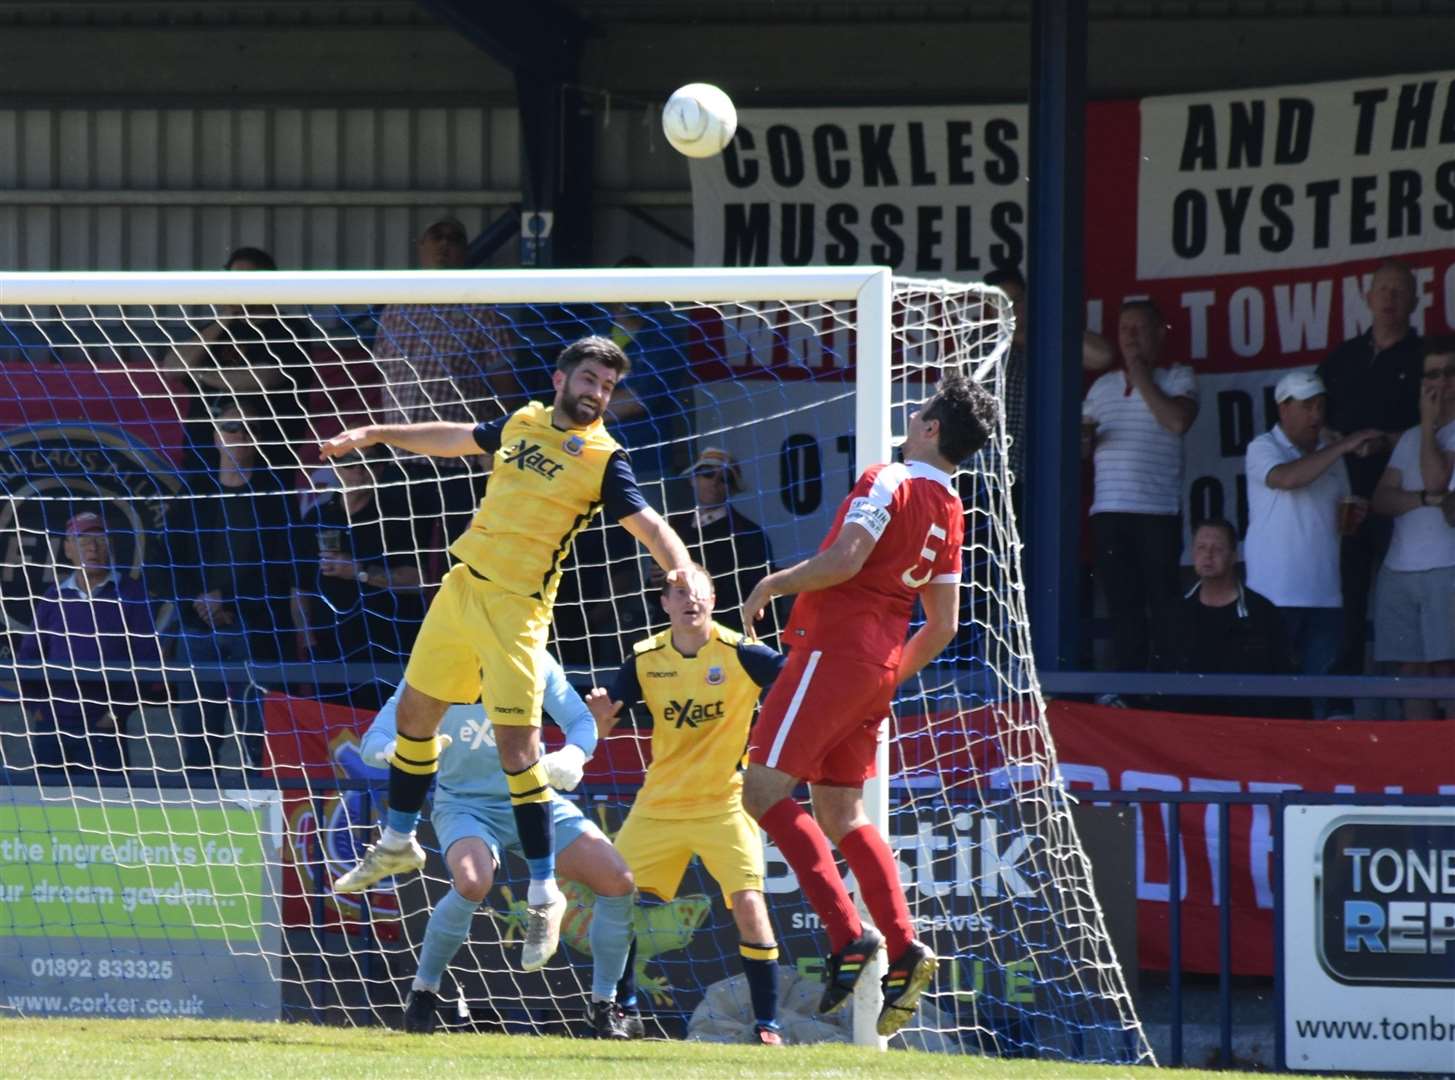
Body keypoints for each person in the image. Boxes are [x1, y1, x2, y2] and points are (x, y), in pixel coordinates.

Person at [322, 335, 704, 975]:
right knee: (417, 717)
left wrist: (684, 567)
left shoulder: (606, 459)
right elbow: (456, 436)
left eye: (607, 388)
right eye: (588, 380)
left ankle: (544, 892)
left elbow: (652, 525)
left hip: (518, 612)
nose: (596, 393)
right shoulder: (523, 421)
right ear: (561, 378)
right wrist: (378, 431)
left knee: (518, 751)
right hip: (461, 588)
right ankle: (395, 842)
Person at [737, 372, 997, 1038]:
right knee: (839, 810)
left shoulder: (891, 479)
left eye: (922, 409)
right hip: (876, 665)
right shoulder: (949, 508)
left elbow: (846, 559)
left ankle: (848, 938)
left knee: (760, 790)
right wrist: (883, 678)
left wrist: (774, 580)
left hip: (833, 650)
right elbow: (941, 625)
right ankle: (903, 950)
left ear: (932, 428)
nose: (912, 414)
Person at [359, 657, 639, 1038]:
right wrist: (397, 750)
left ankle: (605, 1006)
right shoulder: (438, 659)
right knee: (473, 882)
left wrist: (574, 753)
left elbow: (581, 721)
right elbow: (372, 739)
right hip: (464, 806)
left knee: (618, 880)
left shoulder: (531, 659)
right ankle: (424, 991)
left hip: (535, 799)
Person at [587, 568, 787, 1046]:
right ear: (665, 604)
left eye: (698, 591)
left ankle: (767, 1027)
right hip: (659, 804)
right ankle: (625, 1008)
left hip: (725, 804)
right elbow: (602, 725)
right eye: (680, 592)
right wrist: (597, 720)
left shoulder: (743, 653)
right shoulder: (643, 659)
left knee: (750, 906)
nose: (690, 599)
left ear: (713, 600)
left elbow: (799, 686)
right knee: (614, 902)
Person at [163, 397, 301, 775]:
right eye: (231, 427)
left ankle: (262, 815)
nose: (240, 436)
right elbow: (164, 560)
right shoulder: (193, 493)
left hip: (255, 629)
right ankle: (200, 816)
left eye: (251, 429)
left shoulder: (276, 497)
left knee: (261, 737)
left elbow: (285, 568)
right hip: (197, 627)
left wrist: (229, 599)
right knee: (197, 736)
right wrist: (196, 600)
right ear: (215, 436)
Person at [1243, 371, 1382, 719]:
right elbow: (1288, 478)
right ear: (1283, 409)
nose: (1316, 415)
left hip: (1325, 597)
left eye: (1320, 406)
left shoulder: (1331, 456)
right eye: (1307, 406)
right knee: (1273, 702)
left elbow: (1336, 523)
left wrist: (1353, 515)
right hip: (1274, 597)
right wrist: (1343, 445)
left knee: (1319, 703)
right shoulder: (1262, 447)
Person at [375, 219, 517, 550]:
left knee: (462, 560)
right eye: (436, 236)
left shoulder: (482, 311)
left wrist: (503, 443)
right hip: (402, 459)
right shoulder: (396, 308)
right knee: (399, 560)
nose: (444, 245)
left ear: (465, 251)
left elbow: (505, 385)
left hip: (459, 463)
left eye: (454, 239)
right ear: (420, 247)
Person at [1316, 259, 1425, 676]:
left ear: (1415, 299)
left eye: (1399, 290)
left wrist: (1386, 440)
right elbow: (1312, 420)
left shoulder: (1425, 356)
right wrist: (1342, 442)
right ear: (1367, 297)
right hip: (1347, 498)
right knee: (1347, 599)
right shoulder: (1343, 357)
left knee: (1404, 606)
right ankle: (1343, 702)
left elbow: (1445, 428)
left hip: (1406, 502)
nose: (1390, 298)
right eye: (1383, 289)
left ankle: (1405, 709)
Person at [1081, 299, 1199, 673]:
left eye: (1139, 329)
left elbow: (1177, 422)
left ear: (1159, 334)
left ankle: (1165, 695)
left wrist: (1138, 373)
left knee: (1164, 605)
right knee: (1122, 607)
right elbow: (1081, 450)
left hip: (1157, 513)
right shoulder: (1102, 386)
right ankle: (1127, 694)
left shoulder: (1178, 377)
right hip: (1109, 512)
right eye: (1124, 330)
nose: (1130, 338)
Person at [15, 512, 162, 779]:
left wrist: (115, 715)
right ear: (68, 549)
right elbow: (29, 656)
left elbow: (147, 661)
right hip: (53, 727)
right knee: (48, 810)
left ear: (111, 546)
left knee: (111, 811)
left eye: (99, 540)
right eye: (82, 541)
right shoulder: (54, 597)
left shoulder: (130, 594)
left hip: (104, 729)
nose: (92, 548)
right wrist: (38, 709)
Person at [163, 246, 315, 476]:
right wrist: (225, 318)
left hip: (267, 461)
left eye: (246, 281)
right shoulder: (214, 331)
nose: (237, 288)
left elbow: (265, 377)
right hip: (205, 459)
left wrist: (202, 376)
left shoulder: (289, 330)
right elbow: (173, 368)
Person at [293, 447, 424, 707]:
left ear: (381, 469)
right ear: (334, 468)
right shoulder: (316, 518)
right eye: (349, 464)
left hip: (389, 652)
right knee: (338, 743)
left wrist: (359, 572)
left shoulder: (398, 516)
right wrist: (310, 645)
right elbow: (299, 592)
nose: (357, 473)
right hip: (330, 653)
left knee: (388, 741)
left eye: (367, 464)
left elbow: (418, 580)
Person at [982, 268, 1113, 521]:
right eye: (1001, 303)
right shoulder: (978, 349)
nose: (1010, 310)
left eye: (1016, 301)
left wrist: (1048, 319)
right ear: (989, 309)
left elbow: (1103, 356)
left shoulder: (1049, 345)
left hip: (1036, 483)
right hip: (983, 480)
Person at [1369, 337, 1455, 719]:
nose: (1442, 382)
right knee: (1412, 673)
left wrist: (1426, 425)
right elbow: (1381, 500)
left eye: (1450, 373)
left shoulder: (1428, 433)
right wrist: (1425, 502)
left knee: (1446, 672)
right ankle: (1419, 772)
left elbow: (1437, 479)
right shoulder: (1407, 437)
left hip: (1446, 568)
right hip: (1398, 571)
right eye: (1432, 375)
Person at [1147, 519, 1292, 717]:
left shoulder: (1263, 613)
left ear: (1234, 556)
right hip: (1185, 729)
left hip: (1245, 729)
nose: (1208, 555)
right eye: (1201, 548)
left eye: (1218, 549)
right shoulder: (1174, 614)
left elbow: (1283, 685)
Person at [665, 447, 776, 635]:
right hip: (674, 636)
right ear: (693, 479)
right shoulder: (671, 526)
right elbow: (654, 591)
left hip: (725, 635)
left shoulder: (748, 533)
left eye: (725, 479)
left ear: (732, 489)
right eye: (707, 474)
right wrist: (656, 581)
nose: (714, 483)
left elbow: (757, 596)